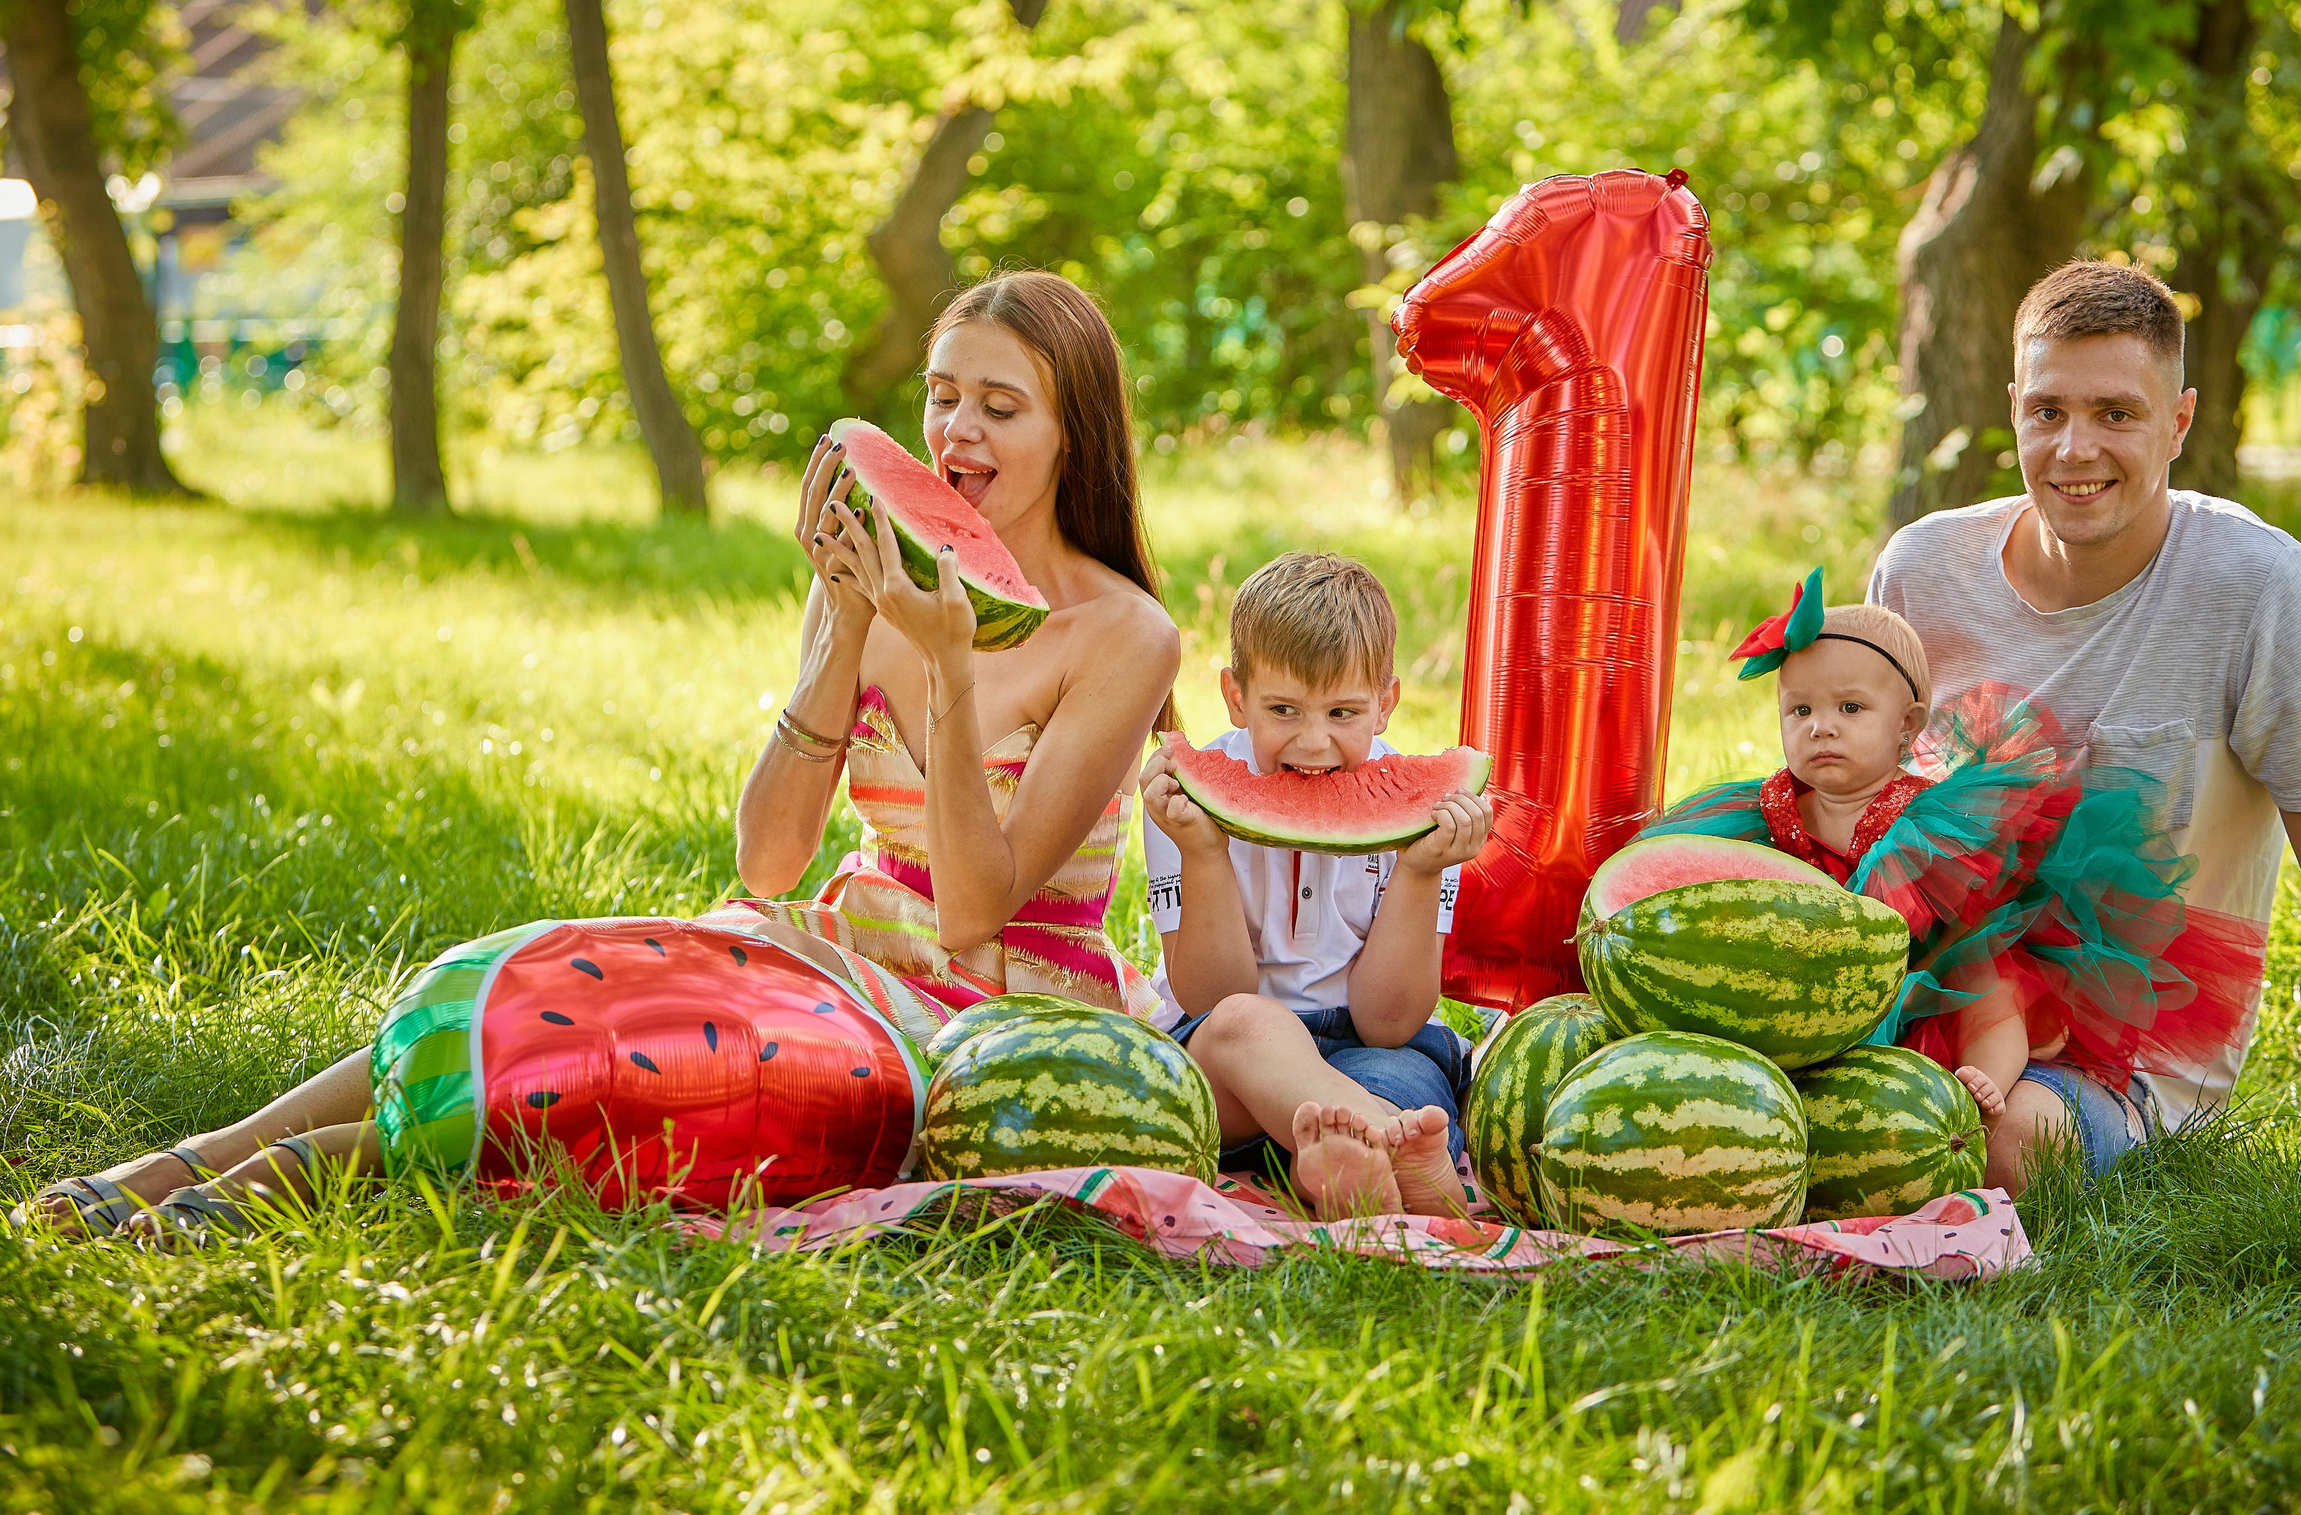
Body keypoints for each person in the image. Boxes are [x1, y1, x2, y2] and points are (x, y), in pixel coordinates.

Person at [26, 269, 1183, 1238]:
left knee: (628, 1062)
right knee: (542, 971)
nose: (956, 433)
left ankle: (284, 1179)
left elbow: (980, 909)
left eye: (999, 405)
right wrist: (838, 626)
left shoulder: (1126, 635)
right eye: (940, 397)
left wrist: (951, 666)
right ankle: (196, 1156)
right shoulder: (878, 580)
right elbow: (772, 863)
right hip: (826, 942)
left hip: (983, 1008)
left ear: (1071, 428)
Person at [1869, 259, 2301, 1194]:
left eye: (2117, 414)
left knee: (1988, 1148)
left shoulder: (2269, 596)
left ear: (2178, 421)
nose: (2075, 451)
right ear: (2014, 405)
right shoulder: (1922, 568)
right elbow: (1868, 803)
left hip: (2123, 1052)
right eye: (2049, 412)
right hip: (1933, 991)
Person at [1649, 568, 2258, 1146]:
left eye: (1850, 708)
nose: (1821, 728)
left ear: (1907, 727)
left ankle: (1986, 1076)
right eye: (1800, 710)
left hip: (1929, 971)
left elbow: (1967, 924)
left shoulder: (1934, 825)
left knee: (1989, 979)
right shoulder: (1762, 816)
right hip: (1810, 980)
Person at [1138, 553, 1493, 1220]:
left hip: (1372, 1049)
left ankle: (1336, 1158)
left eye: (1342, 712)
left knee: (1406, 1089)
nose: (1313, 741)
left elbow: (1389, 1022)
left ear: (1385, 705)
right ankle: (1377, 1146)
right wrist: (1205, 854)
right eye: (1283, 709)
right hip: (1232, 1063)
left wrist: (1419, 870)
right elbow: (1214, 998)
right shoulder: (1182, 800)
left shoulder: (1426, 818)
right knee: (1243, 1025)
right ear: (1235, 696)